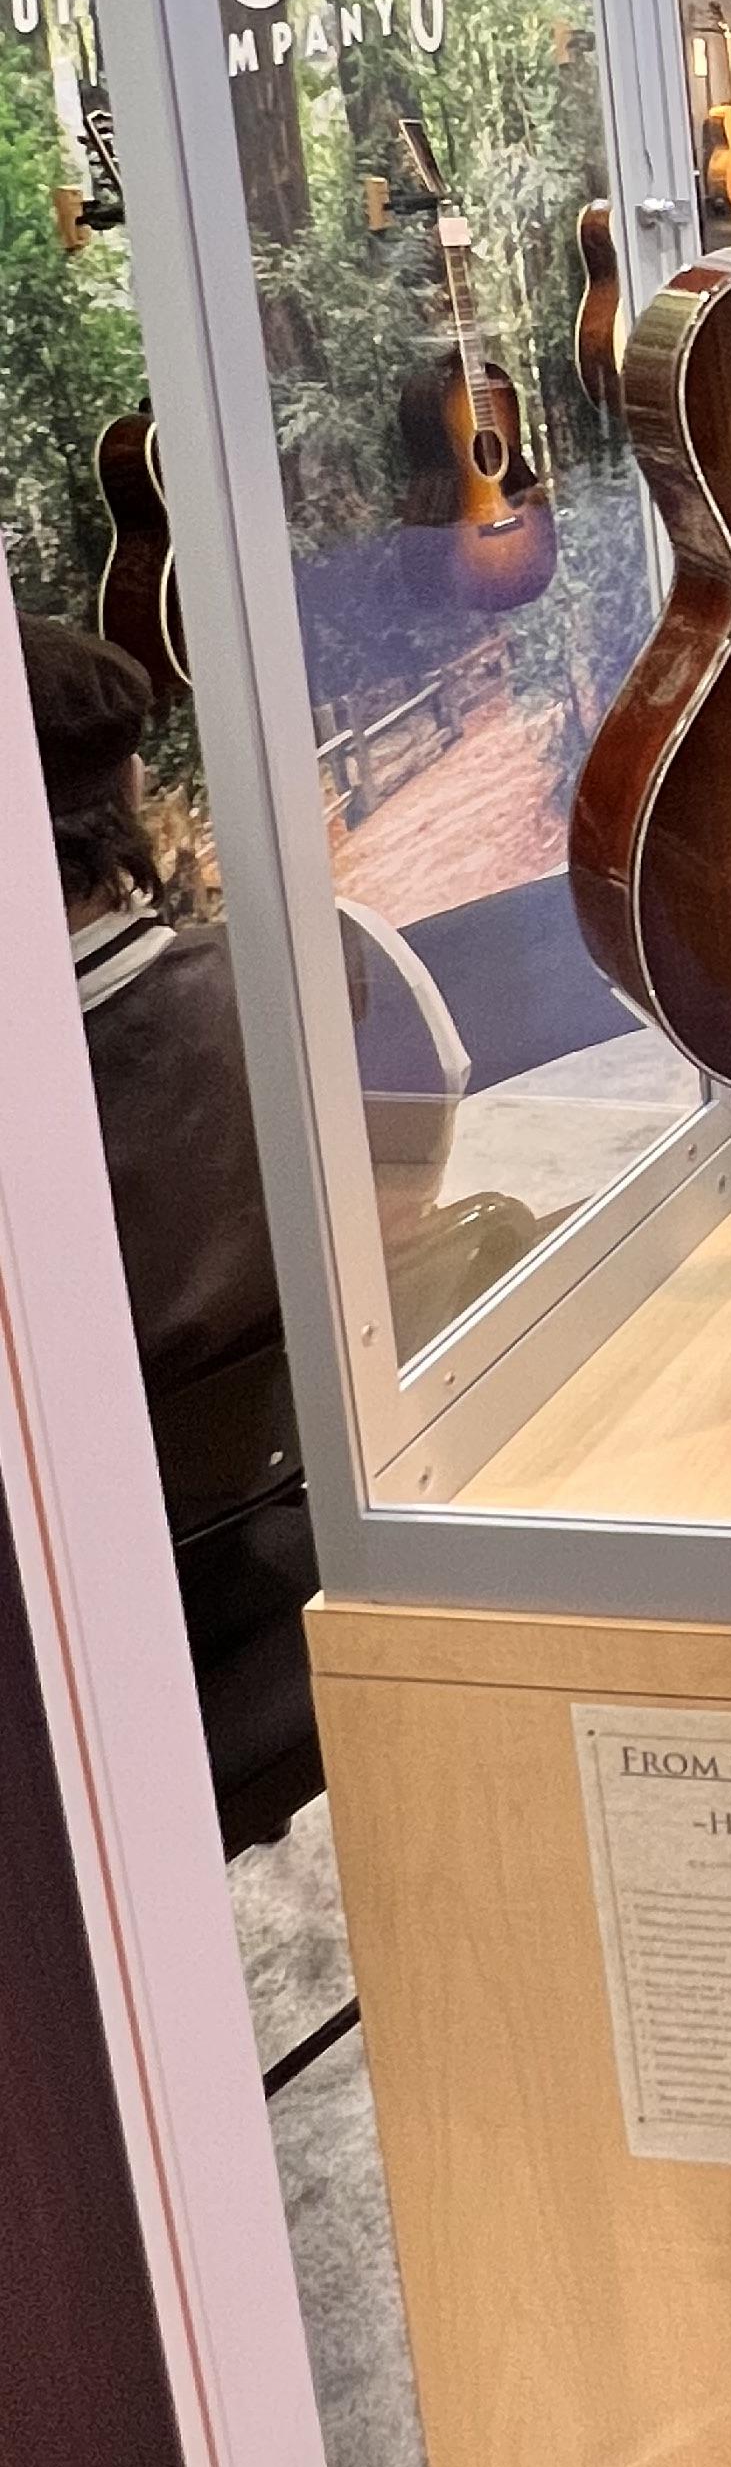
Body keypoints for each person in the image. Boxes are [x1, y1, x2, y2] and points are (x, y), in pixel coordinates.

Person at [25, 616, 320, 1857]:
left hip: (79, 1704)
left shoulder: (40, 1118)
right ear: (135, 789)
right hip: (287, 1585)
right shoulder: (302, 992)